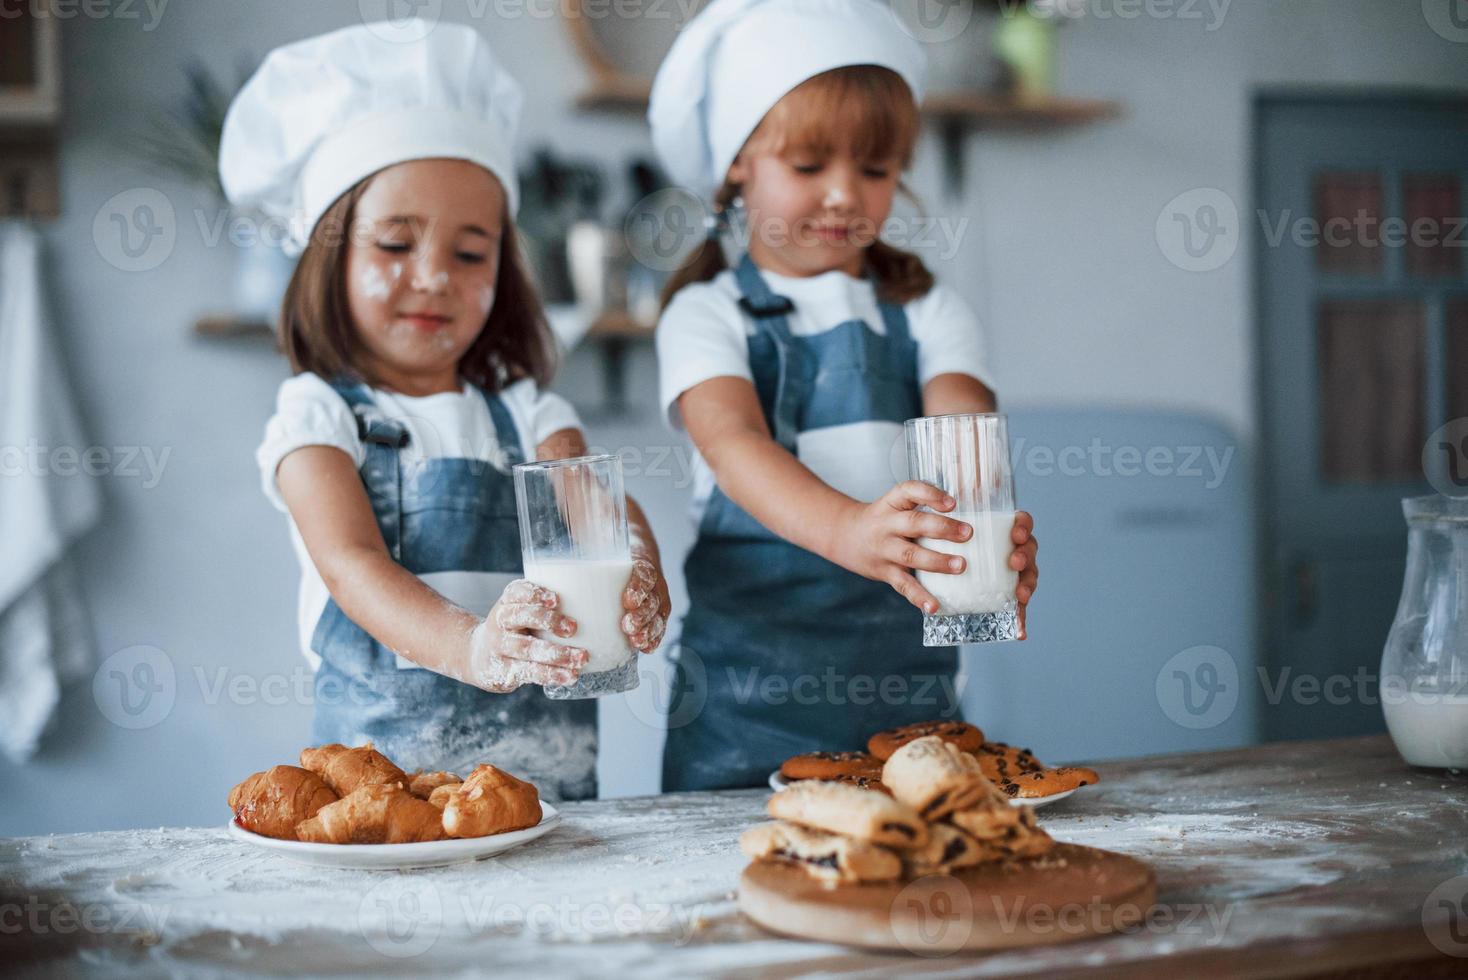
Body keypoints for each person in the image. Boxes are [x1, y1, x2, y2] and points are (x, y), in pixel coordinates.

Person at [222, 20, 670, 800]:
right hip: (386, 807)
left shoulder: (530, 410)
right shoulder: (317, 417)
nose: (434, 277)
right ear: (331, 259)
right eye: (395, 245)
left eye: (470, 253)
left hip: (545, 805)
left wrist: (639, 563)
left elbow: (592, 505)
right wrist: (476, 648)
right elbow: (353, 565)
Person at [648, 0, 1039, 791]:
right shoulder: (706, 313)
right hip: (739, 710)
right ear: (737, 164)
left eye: (873, 169)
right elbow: (735, 446)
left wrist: (989, 543)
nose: (842, 195)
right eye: (808, 166)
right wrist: (850, 529)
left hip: (909, 709)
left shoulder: (929, 312)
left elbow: (966, 439)